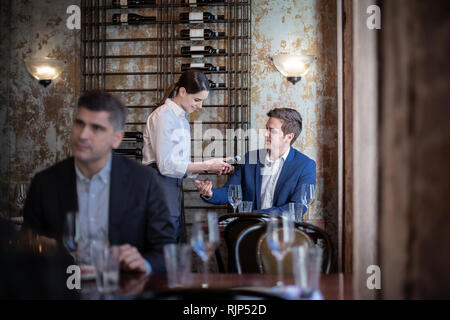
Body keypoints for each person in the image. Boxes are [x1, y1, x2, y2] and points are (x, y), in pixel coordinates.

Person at [23, 90, 175, 274]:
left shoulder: (145, 182)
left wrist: (144, 263)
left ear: (117, 138)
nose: (83, 135)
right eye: (79, 123)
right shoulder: (44, 183)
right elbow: (26, 248)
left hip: (123, 290)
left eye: (96, 128)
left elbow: (167, 252)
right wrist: (37, 247)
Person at [142, 70, 232, 241]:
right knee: (164, 247)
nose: (200, 106)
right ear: (182, 92)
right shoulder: (163, 117)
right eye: (197, 100)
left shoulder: (181, 119)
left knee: (175, 245)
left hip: (171, 188)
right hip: (158, 189)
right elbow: (167, 166)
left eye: (202, 101)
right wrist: (207, 165)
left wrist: (211, 168)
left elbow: (179, 163)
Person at [195, 108, 316, 214]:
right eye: (266, 128)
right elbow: (230, 192)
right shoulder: (250, 158)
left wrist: (255, 215)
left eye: (271, 130)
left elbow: (297, 208)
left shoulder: (305, 166)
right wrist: (210, 193)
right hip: (250, 230)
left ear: (289, 136)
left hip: (283, 232)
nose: (265, 134)